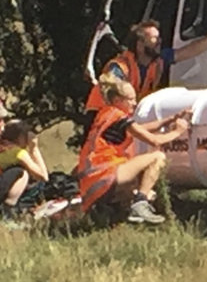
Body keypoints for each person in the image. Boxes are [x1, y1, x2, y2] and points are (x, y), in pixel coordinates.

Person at [73, 76, 188, 225]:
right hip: (104, 175)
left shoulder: (107, 114)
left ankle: (115, 212)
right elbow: (155, 141)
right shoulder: (119, 117)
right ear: (117, 100)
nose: (135, 103)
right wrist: (178, 131)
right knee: (157, 157)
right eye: (130, 99)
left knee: (145, 185)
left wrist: (171, 119)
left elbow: (142, 129)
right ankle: (140, 204)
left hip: (92, 182)